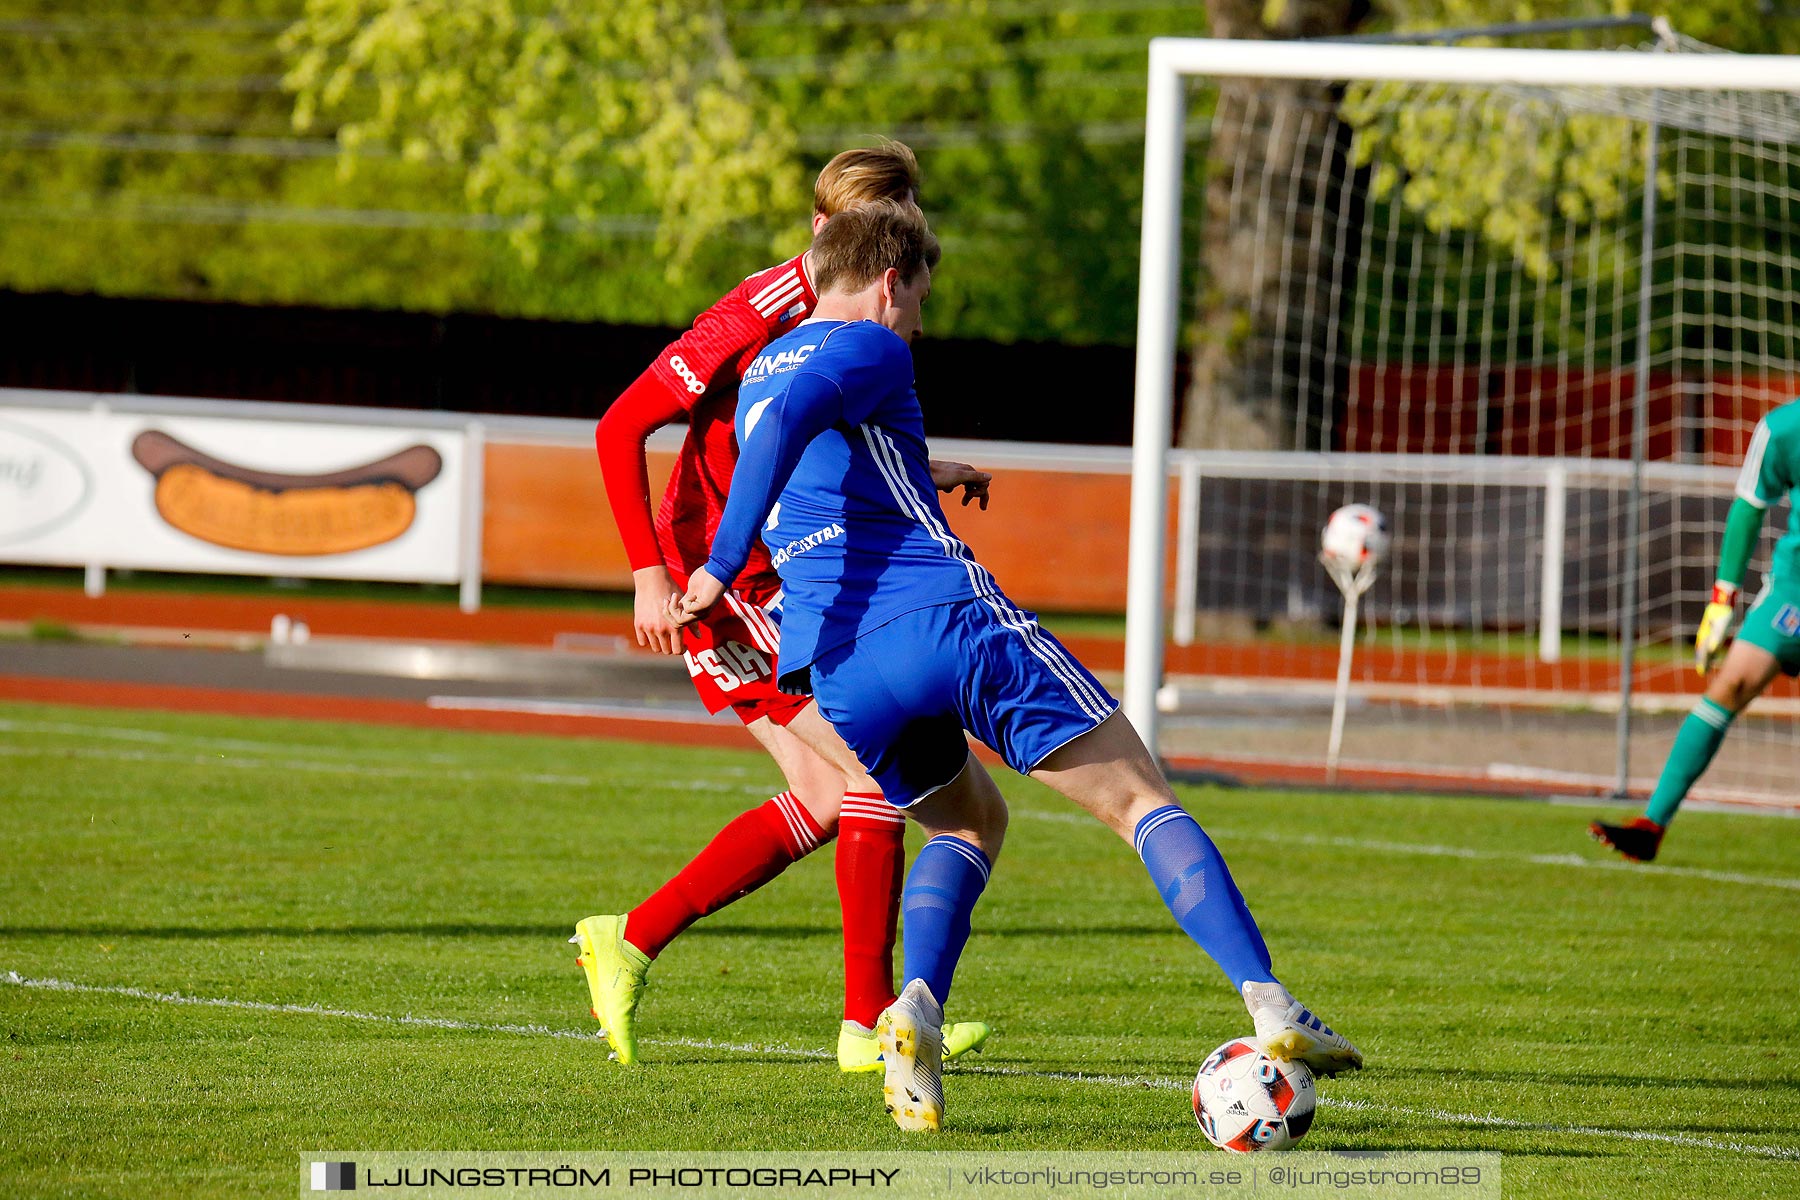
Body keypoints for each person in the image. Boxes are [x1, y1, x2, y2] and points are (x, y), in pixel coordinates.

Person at [674, 199, 1362, 1133]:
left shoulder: (761, 368)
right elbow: (818, 410)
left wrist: (931, 468)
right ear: (888, 282)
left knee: (969, 819)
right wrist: (718, 566)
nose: (918, 319)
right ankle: (1270, 1002)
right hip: (944, 622)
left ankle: (914, 1010)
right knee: (1139, 799)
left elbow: (828, 450)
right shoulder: (871, 344)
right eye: (919, 299)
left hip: (837, 664)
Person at [578, 141, 990, 1070]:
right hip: (725, 580)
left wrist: (929, 471)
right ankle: (864, 1023)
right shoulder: (761, 311)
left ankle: (631, 938)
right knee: (873, 769)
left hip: (778, 567)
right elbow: (618, 427)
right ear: (824, 230)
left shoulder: (858, 319)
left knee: (824, 790)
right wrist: (648, 572)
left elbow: (820, 444)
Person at [1592, 398, 1800, 862]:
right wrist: (1721, 601)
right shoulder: (1783, 428)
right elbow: (1750, 506)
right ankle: (1652, 824)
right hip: (1795, 590)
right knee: (1732, 684)